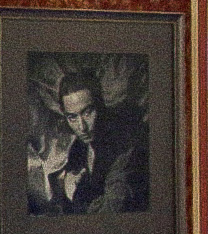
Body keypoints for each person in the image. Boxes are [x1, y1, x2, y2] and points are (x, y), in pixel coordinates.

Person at [28, 72, 148, 215]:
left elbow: (113, 206)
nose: (82, 126)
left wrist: (75, 196)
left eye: (87, 112)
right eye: (72, 117)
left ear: (100, 105)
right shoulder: (79, 147)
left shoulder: (124, 142)